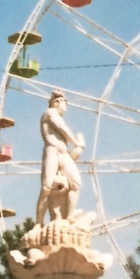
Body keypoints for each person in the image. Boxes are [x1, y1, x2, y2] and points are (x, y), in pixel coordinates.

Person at [35, 91, 84, 224]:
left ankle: (70, 216)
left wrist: (76, 150)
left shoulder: (57, 115)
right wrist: (76, 142)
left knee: (76, 184)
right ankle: (38, 223)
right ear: (56, 102)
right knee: (46, 187)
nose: (65, 106)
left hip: (64, 154)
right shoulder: (50, 113)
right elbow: (62, 128)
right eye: (64, 103)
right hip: (52, 151)